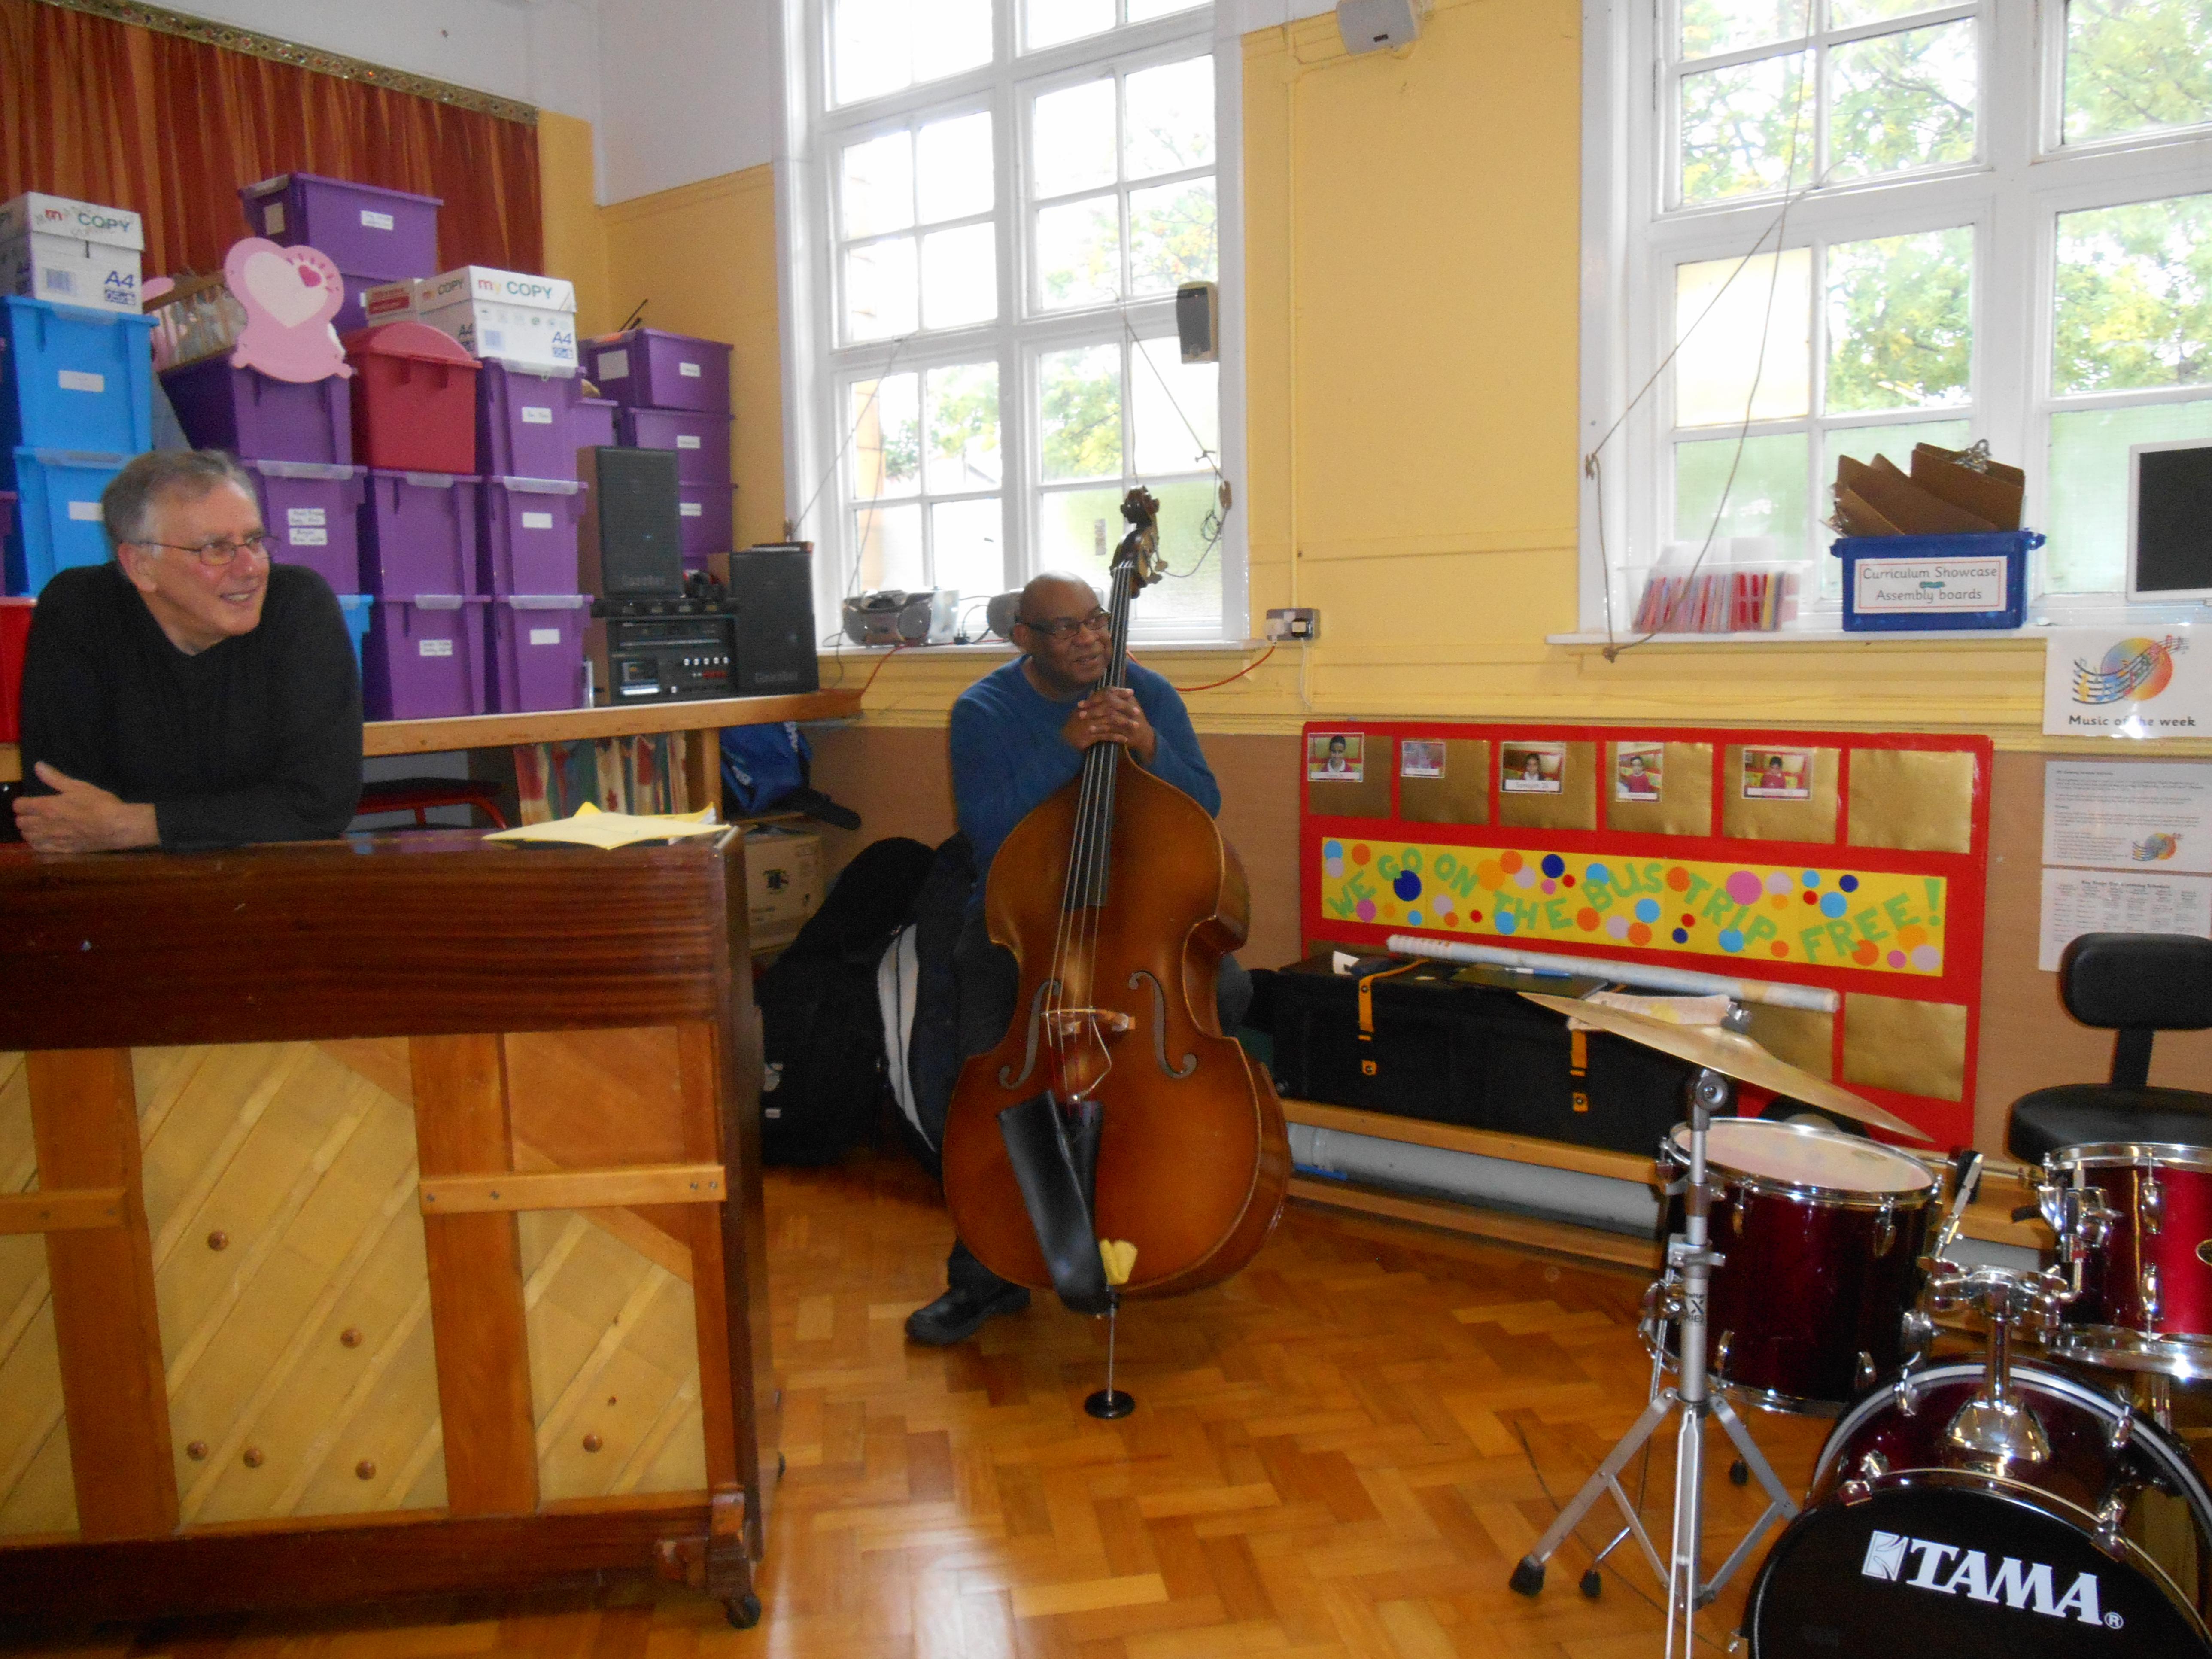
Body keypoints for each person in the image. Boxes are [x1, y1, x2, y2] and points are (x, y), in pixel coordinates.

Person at [905, 571, 1251, 1346]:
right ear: (1024, 637)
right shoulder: (983, 709)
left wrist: (1149, 745)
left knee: (1226, 994)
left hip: (1137, 923)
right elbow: (989, 830)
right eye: (1066, 629)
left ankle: (1154, 1215)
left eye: (1096, 620)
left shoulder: (1146, 693)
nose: (1091, 638)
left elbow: (1204, 803)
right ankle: (984, 1275)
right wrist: (1068, 750)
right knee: (992, 1063)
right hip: (1022, 923)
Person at [11, 449, 363, 853]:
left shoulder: (298, 605)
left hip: (272, 880)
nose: (250, 568)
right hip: (123, 883)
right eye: (215, 548)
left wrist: (136, 825)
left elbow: (321, 804)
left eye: (254, 541)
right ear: (140, 565)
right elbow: (62, 810)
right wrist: (224, 820)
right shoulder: (79, 609)